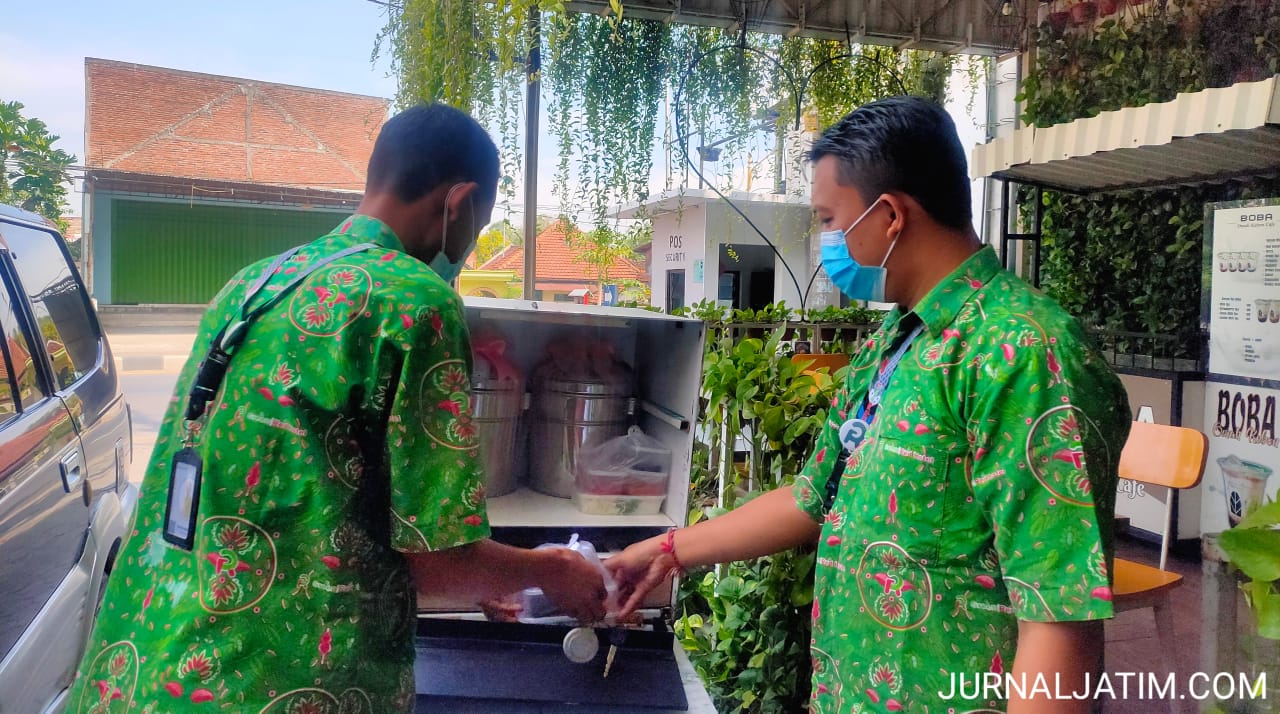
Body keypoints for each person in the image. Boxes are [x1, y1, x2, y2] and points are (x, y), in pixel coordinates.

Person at [68, 104, 607, 713]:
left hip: (144, 659)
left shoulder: (252, 283)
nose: (472, 245)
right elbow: (436, 563)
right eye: (480, 225)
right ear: (461, 202)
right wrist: (552, 569)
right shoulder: (415, 302)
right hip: (267, 682)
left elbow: (298, 492)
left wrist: (487, 576)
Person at [606, 96, 1130, 713]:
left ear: (889, 216)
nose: (827, 238)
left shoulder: (1024, 353)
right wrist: (666, 553)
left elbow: (1058, 615)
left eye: (830, 218)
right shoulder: (897, 339)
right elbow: (811, 497)